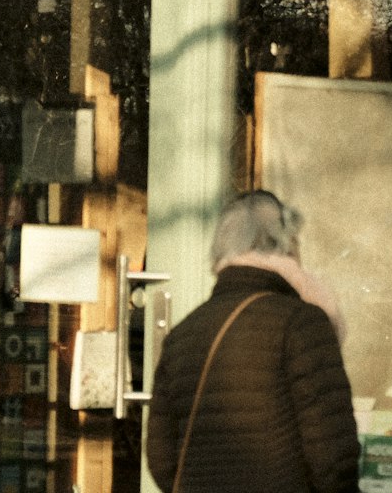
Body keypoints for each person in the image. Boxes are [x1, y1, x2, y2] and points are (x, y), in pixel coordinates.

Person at [146, 189, 361, 493]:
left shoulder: (182, 335)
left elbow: (161, 459)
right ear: (285, 245)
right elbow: (332, 453)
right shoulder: (303, 323)